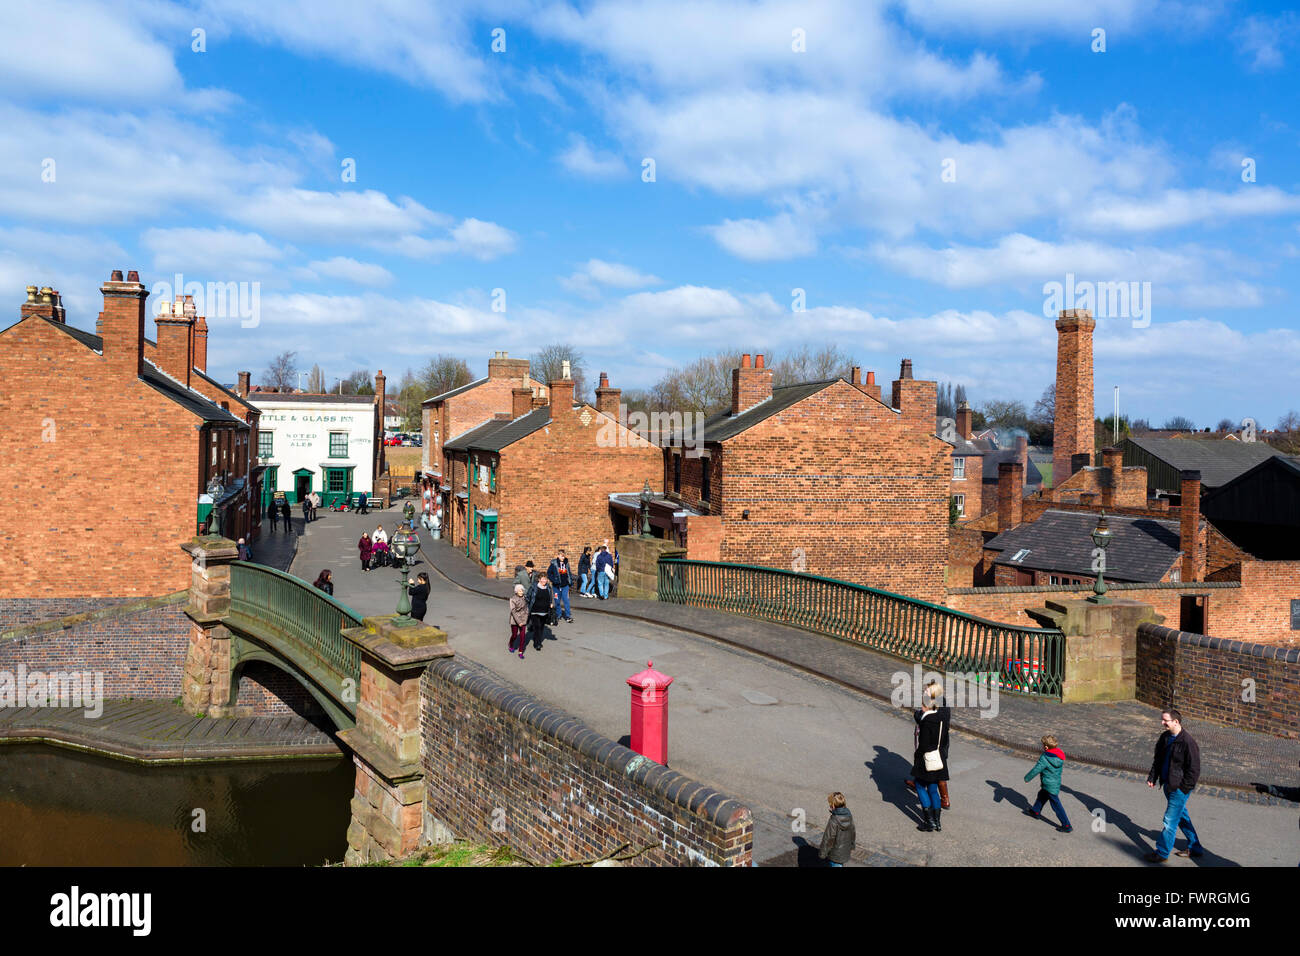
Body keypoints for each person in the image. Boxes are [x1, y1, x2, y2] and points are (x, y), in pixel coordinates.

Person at [1145, 709, 1204, 863]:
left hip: (1178, 788)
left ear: (1176, 722)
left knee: (1169, 820)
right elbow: (1158, 759)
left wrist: (1183, 789)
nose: (1162, 723)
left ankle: (1162, 852)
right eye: (1162, 719)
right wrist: (1153, 776)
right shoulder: (1165, 737)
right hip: (1167, 785)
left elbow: (1194, 770)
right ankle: (1195, 847)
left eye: (1165, 720)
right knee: (1182, 817)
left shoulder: (1188, 742)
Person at [911, 681, 950, 833]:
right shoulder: (943, 715)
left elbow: (924, 745)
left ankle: (929, 821)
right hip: (940, 757)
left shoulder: (927, 720)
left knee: (920, 785)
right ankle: (937, 822)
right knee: (933, 789)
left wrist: (917, 757)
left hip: (927, 758)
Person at [1024, 734, 1072, 832]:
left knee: (1056, 805)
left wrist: (1027, 778)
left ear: (1046, 747)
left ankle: (1066, 825)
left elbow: (1036, 769)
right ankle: (1035, 811)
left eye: (1042, 745)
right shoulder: (1059, 754)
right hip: (1055, 782)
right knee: (1041, 795)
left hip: (1049, 784)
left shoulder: (1045, 757)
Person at [818, 792, 855, 867]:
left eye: (830, 803)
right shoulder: (849, 816)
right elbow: (853, 832)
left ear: (833, 805)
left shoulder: (834, 820)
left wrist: (822, 853)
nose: (829, 805)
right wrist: (852, 846)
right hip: (845, 851)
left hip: (835, 854)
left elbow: (828, 838)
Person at [526, 573, 553, 651]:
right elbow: (528, 597)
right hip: (535, 611)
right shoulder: (534, 587)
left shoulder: (548, 587)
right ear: (539, 579)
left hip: (544, 611)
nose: (544, 580)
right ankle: (537, 643)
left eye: (545, 579)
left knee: (541, 627)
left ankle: (537, 639)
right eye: (543, 579)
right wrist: (528, 606)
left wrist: (551, 603)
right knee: (537, 627)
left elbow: (550, 597)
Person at [547, 549, 573, 623]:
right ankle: (558, 615)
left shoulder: (566, 563)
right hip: (556, 587)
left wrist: (570, 582)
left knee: (566, 601)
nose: (563, 557)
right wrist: (554, 580)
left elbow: (569, 573)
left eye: (564, 556)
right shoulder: (554, 564)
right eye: (561, 556)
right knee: (557, 601)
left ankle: (568, 616)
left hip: (565, 586)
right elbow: (549, 573)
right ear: (558, 556)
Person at [508, 584, 529, 657]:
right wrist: (519, 622)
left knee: (523, 636)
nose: (521, 592)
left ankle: (520, 651)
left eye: (522, 590)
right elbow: (513, 611)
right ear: (516, 591)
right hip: (515, 620)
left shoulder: (525, 598)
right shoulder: (512, 599)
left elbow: (526, 610)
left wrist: (524, 620)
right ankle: (511, 644)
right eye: (520, 591)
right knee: (514, 635)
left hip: (523, 619)